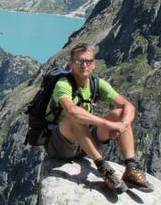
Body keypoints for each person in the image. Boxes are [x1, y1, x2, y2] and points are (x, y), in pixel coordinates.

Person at [45, 43, 153, 192]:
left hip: (85, 144)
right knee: (76, 116)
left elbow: (128, 106)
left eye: (88, 61)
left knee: (120, 114)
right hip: (61, 145)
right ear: (71, 64)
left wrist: (122, 125)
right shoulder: (63, 84)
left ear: (94, 64)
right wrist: (109, 125)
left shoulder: (97, 84)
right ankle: (103, 168)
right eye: (79, 61)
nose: (84, 65)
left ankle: (131, 167)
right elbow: (71, 111)